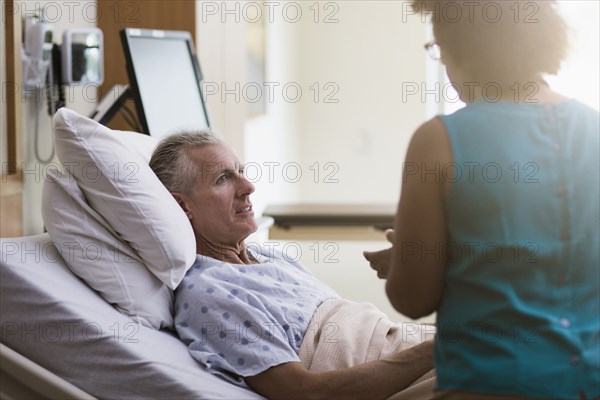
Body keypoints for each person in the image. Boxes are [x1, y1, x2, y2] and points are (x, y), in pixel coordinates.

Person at [366, 1, 599, 399]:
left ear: (463, 47)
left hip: (487, 385)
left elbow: (412, 298)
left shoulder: (438, 141)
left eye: (439, 49)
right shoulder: (593, 129)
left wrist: (412, 257)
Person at [149, 131, 436, 400]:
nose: (248, 187)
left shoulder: (269, 257)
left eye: (242, 172)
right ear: (183, 206)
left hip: (413, 349)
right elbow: (305, 393)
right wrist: (436, 352)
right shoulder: (208, 294)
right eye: (223, 178)